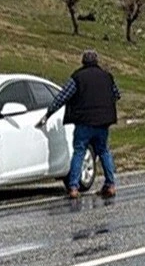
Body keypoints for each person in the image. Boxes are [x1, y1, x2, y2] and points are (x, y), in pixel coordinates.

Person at [37, 50, 121, 199]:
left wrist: (48, 114)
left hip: (84, 122)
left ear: (83, 61)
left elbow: (62, 97)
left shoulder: (77, 77)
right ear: (96, 61)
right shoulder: (107, 77)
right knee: (103, 151)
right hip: (103, 122)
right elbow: (116, 94)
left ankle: (74, 187)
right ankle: (111, 184)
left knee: (79, 151)